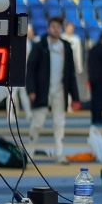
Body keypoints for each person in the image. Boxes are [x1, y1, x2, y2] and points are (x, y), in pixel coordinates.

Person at [26, 15, 79, 161]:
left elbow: (71, 74)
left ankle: (59, 153)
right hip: (42, 91)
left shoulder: (66, 47)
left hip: (60, 91)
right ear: (49, 28)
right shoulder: (40, 46)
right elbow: (30, 70)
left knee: (59, 123)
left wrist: (75, 97)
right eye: (53, 26)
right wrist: (31, 90)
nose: (56, 29)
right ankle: (29, 152)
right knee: (37, 123)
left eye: (58, 27)